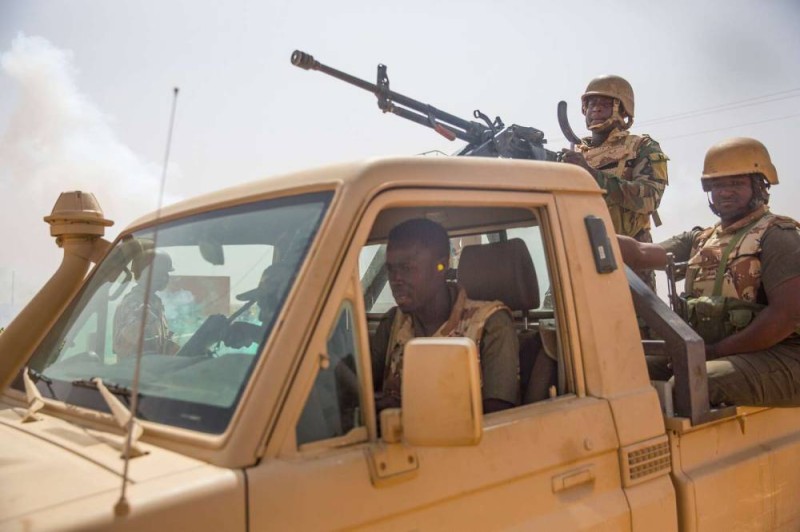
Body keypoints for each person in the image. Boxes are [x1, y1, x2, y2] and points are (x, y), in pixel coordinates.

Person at [618, 137, 800, 407]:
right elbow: (640, 253)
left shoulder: (778, 235)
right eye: (717, 185)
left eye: (736, 183)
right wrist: (582, 227)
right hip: (716, 351)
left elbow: (785, 317)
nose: (725, 192)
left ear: (760, 186)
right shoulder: (701, 239)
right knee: (624, 373)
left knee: (694, 384)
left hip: (781, 354)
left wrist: (713, 352)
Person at [370, 218, 520, 414]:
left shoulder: (491, 324)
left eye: (407, 268)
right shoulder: (393, 323)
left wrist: (408, 412)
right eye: (391, 269)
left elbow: (499, 420)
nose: (396, 279)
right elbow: (360, 388)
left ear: (440, 267)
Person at [560, 75, 669, 290]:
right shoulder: (578, 154)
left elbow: (649, 198)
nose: (595, 109)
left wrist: (593, 176)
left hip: (628, 257)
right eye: (591, 104)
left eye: (605, 104)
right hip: (579, 255)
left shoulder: (641, 147)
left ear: (622, 108)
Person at [113, 251, 179, 357]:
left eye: (166, 274)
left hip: (153, 370)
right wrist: (139, 323)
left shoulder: (154, 302)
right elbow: (124, 347)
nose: (165, 278)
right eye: (161, 273)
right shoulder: (133, 303)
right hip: (135, 371)